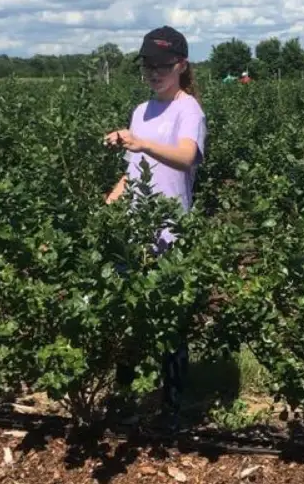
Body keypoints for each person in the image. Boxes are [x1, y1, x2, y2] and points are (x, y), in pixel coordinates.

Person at [103, 25, 207, 428]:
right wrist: (109, 204)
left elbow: (186, 157)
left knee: (170, 322)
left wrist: (142, 143)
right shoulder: (141, 111)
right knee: (128, 316)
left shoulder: (189, 110)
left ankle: (173, 407)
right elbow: (134, 171)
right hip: (134, 231)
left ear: (181, 65)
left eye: (161, 64)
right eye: (147, 64)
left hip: (169, 232)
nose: (153, 71)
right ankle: (123, 396)